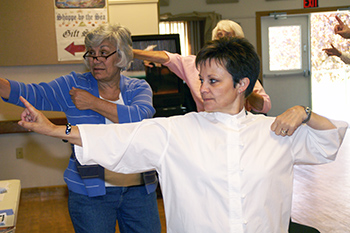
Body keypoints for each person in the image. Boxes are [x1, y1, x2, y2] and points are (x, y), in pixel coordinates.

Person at [17, 37, 348, 233]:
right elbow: (118, 140)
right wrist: (50, 129)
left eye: (213, 81)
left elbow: (330, 140)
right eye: (200, 79)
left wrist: (304, 111)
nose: (202, 89)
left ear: (242, 84)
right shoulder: (178, 130)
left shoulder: (275, 132)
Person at [0, 24, 161, 233]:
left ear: (121, 56)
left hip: (139, 192)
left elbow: (139, 118)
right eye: (92, 53)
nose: (96, 60)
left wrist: (93, 103)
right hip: (90, 195)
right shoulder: (74, 85)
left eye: (104, 53)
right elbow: (31, 93)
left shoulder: (138, 87)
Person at [133, 19, 271, 113]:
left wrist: (244, 90)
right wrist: (131, 52)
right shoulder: (194, 64)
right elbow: (166, 57)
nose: (204, 89)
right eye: (219, 36)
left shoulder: (243, 72)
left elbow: (264, 106)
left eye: (228, 36)